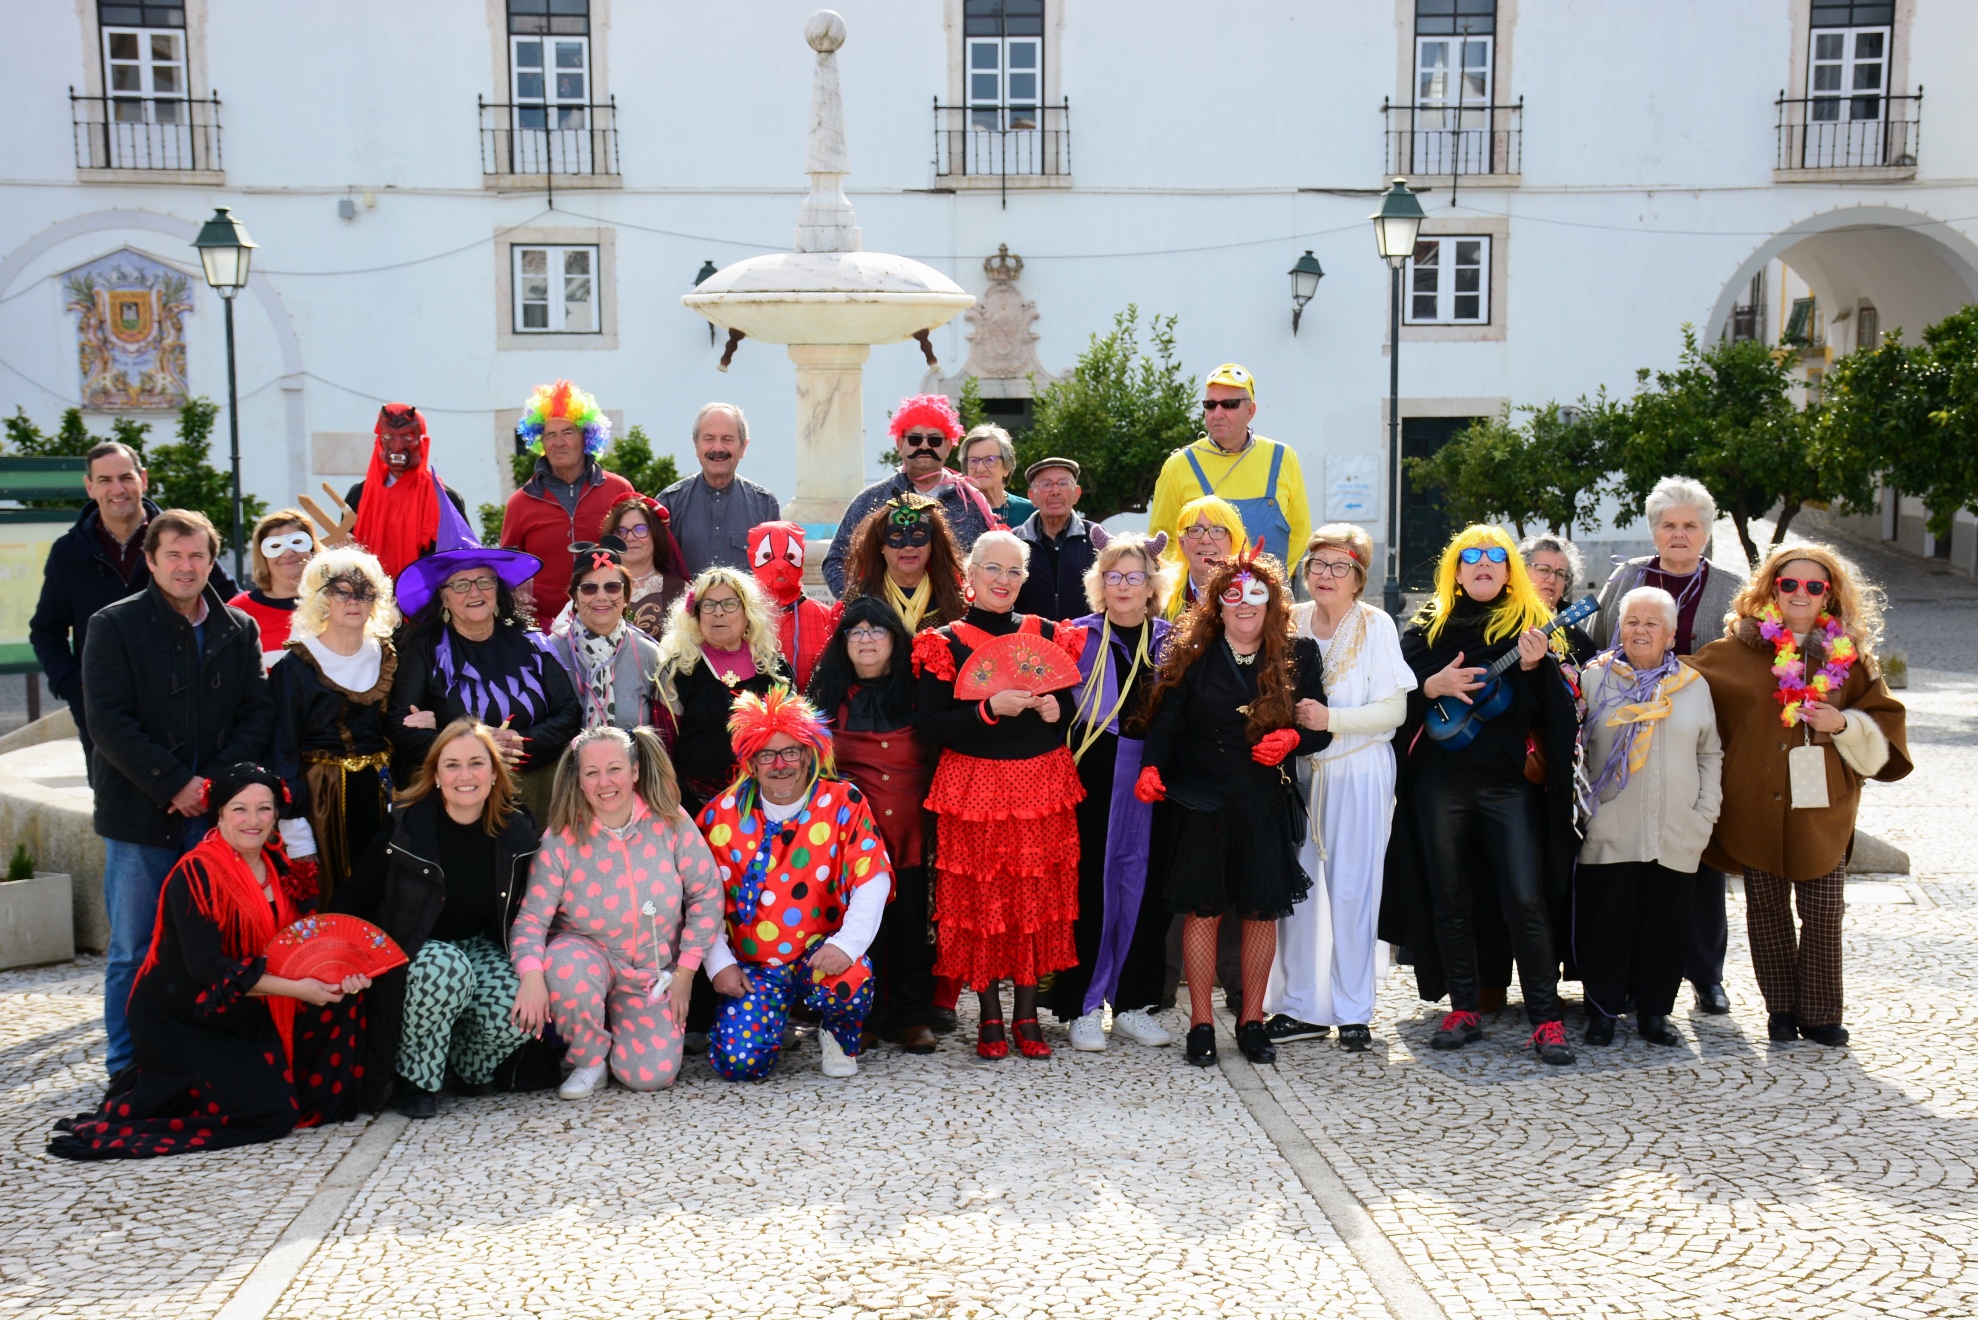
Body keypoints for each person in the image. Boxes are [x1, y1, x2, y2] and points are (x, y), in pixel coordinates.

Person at [48, 763, 368, 1160]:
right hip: (185, 1016)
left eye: (264, 809)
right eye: (239, 809)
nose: (253, 820)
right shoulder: (196, 873)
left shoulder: (280, 865)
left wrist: (336, 976)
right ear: (218, 813)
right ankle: (171, 1084)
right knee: (272, 1115)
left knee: (340, 1019)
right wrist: (298, 989)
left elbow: (295, 945)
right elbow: (208, 969)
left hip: (248, 1008)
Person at [1689, 543, 1910, 1048]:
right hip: (1754, 807)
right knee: (1766, 912)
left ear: (1829, 595)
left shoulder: (1850, 660)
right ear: (1772, 589)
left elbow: (1886, 727)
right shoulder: (1735, 652)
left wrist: (1844, 723)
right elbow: (1681, 682)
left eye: (1815, 586)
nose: (1801, 594)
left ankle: (1821, 1013)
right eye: (1790, 584)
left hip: (1823, 809)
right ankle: (1781, 1012)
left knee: (1825, 910)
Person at [81, 508, 273, 1080]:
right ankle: (127, 1066)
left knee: (212, 949)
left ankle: (193, 1061)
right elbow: (108, 721)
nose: (186, 567)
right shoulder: (112, 625)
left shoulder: (238, 629)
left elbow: (254, 712)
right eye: (174, 555)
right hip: (140, 817)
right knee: (133, 949)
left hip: (212, 819)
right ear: (150, 561)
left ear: (213, 562)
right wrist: (174, 783)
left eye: (197, 555)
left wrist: (209, 787)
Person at [1381, 526, 1580, 1066]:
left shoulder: (1533, 623)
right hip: (1439, 784)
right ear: (1457, 568)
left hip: (1508, 784)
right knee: (1450, 897)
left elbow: (1560, 708)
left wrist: (1537, 669)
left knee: (1525, 898)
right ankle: (1463, 1007)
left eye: (1497, 556)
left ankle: (1545, 1018)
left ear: (1510, 569)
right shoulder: (1427, 627)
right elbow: (1395, 693)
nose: (1484, 564)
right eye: (1473, 556)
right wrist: (1430, 688)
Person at [1136, 547, 1328, 1067]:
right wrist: (1150, 768)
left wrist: (1291, 737)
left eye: (1256, 596)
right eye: (1233, 596)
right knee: (1205, 910)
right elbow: (1166, 723)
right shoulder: (1189, 653)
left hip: (1263, 800)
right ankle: (1200, 1021)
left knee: (1261, 911)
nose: (1245, 605)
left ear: (1272, 604)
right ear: (1216, 605)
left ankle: (1252, 1021)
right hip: (1202, 800)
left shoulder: (1299, 654)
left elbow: (1319, 731)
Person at [912, 529, 1087, 1060]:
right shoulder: (943, 641)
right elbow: (928, 727)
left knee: (1035, 901)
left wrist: (1061, 712)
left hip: (1041, 782)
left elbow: (1065, 712)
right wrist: (988, 710)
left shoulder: (1048, 635)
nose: (1004, 580)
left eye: (1014, 571)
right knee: (981, 901)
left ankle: (1028, 1013)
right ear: (970, 576)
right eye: (993, 569)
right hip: (974, 785)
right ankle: (990, 1015)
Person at [1590, 476, 1747, 1017]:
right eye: (1668, 525)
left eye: (1690, 525)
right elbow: (1597, 642)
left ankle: (1706, 974)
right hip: (1628, 739)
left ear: (1705, 532)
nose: (1678, 534)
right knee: (1632, 867)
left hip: (1695, 732)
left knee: (1698, 860)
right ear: (1654, 530)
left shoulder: (1730, 588)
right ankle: (1634, 980)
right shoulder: (1626, 578)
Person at [332, 718, 540, 1117]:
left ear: (495, 773)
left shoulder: (516, 827)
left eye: (477, 763)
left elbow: (537, 906)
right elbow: (355, 894)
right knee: (446, 968)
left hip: (479, 945)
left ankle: (466, 1067)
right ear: (436, 775)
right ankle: (416, 1078)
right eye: (453, 765)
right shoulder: (406, 828)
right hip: (414, 949)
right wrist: (339, 956)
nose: (466, 775)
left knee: (519, 1000)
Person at [1262, 525, 1416, 1053]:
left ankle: (1354, 1009)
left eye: (1339, 566)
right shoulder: (1291, 621)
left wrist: (1333, 718)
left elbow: (1395, 710)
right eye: (1317, 565)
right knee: (1299, 893)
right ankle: (1301, 1006)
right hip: (1303, 775)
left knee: (1352, 888)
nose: (1325, 575)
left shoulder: (1375, 626)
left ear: (1358, 577)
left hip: (1357, 768)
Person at [509, 726, 723, 1097]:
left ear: (635, 771)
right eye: (591, 773)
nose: (604, 782)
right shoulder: (560, 839)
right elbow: (531, 920)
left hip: (651, 973)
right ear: (579, 778)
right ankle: (589, 1059)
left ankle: (622, 1045)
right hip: (588, 958)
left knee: (650, 1077)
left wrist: (686, 971)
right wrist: (530, 976)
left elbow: (706, 893)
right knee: (566, 965)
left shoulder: (670, 821)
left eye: (614, 769)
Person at [699, 688, 894, 1080]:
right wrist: (718, 964)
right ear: (749, 762)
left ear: (808, 755)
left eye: (790, 751)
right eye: (766, 754)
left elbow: (873, 878)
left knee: (851, 980)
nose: (780, 763)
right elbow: (698, 899)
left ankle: (836, 1032)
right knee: (739, 1066)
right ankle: (772, 1026)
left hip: (821, 955)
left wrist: (846, 944)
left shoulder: (843, 801)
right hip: (752, 965)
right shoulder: (719, 815)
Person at [1575, 587, 1723, 1048]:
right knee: (1607, 924)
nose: (1641, 630)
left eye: (1652, 623)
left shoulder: (1694, 686)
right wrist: (1583, 814)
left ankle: (1656, 1013)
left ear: (1672, 634)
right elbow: (1575, 750)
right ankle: (1601, 1012)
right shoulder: (1595, 679)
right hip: (1609, 826)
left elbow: (1710, 752)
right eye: (1632, 621)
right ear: (1619, 628)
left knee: (1667, 924)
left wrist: (1705, 815)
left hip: (1676, 827)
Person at [31, 440, 236, 771]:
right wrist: (75, 688)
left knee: (193, 807)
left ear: (143, 478)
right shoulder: (68, 553)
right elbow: (46, 630)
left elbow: (233, 609)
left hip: (185, 710)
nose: (118, 489)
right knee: (119, 814)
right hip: (106, 714)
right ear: (89, 487)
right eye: (105, 480)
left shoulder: (180, 540)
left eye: (126, 477)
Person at [1049, 532, 1177, 1052]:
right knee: (1091, 887)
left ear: (1152, 586)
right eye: (1113, 575)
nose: (1123, 585)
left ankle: (1132, 1004)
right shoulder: (1075, 636)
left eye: (1134, 576)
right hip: (1094, 770)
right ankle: (1081, 1005)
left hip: (1154, 774)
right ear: (1099, 584)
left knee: (1147, 886)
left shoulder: (1173, 640)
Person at [389, 495, 582, 821]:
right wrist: (474, 750)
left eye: (483, 581)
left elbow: (569, 712)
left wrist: (522, 742)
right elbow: (400, 727)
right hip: (457, 800)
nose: (474, 592)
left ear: (498, 590)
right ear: (444, 598)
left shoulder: (533, 642)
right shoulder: (425, 649)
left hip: (538, 794)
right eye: (461, 584)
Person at [808, 597, 938, 1053]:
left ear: (894, 640)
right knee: (861, 928)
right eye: (855, 632)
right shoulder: (824, 697)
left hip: (912, 829)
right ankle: (861, 1013)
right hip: (852, 841)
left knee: (911, 928)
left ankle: (912, 1017)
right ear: (842, 644)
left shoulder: (920, 691)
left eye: (876, 631)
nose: (865, 639)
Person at [268, 546, 400, 904]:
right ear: (322, 598)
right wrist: (295, 831)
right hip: (321, 799)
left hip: (381, 794)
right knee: (332, 897)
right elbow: (282, 750)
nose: (354, 600)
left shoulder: (389, 656)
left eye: (364, 591)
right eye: (342, 591)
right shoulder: (295, 667)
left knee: (382, 892)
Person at [653, 567, 793, 815]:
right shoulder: (677, 671)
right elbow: (662, 750)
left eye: (729, 604)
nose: (718, 612)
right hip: (695, 808)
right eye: (708, 605)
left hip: (768, 805)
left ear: (747, 612)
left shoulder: (773, 667)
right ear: (696, 615)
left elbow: (796, 738)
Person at [823, 394, 993, 597]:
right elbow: (835, 560)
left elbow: (989, 563)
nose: (924, 446)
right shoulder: (871, 499)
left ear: (948, 446)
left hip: (952, 622)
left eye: (934, 439)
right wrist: (861, 607)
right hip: (885, 622)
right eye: (915, 439)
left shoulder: (971, 503)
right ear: (900, 444)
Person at [1146, 364, 1310, 568]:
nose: (1218, 413)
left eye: (1230, 404)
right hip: (1198, 598)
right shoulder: (1178, 465)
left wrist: (1273, 584)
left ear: (1250, 410)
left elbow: (1300, 532)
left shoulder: (1283, 457)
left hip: (1269, 595)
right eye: (1210, 405)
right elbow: (1163, 542)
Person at [499, 380, 636, 623]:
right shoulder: (520, 502)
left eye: (568, 432)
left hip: (608, 624)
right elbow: (508, 566)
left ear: (587, 437)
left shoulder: (619, 490)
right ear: (540, 441)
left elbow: (637, 552)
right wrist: (513, 590)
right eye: (550, 434)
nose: (558, 442)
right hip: (544, 630)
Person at [327, 403, 469, 579]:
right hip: (370, 600)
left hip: (426, 601)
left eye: (407, 436)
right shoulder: (359, 495)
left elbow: (462, 560)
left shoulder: (444, 499)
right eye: (388, 436)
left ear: (422, 441)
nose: (397, 446)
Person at [546, 539, 664, 731]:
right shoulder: (552, 653)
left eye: (612, 587)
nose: (601, 597)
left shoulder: (649, 653)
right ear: (575, 598)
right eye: (589, 588)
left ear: (626, 597)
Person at [655, 402, 782, 575]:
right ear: (696, 445)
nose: (718, 448)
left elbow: (776, 573)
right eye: (709, 439)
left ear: (743, 447)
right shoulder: (669, 503)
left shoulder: (764, 505)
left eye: (727, 439)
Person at [840, 493, 969, 636]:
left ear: (932, 544)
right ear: (881, 546)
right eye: (897, 536)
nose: (908, 546)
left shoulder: (955, 596)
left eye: (918, 536)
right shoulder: (858, 597)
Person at [1013, 458, 1109, 622]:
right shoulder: (1014, 541)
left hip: (1087, 640)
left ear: (1076, 494)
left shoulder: (1097, 537)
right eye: (1046, 484)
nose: (1055, 491)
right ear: (1032, 497)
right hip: (1030, 643)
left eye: (1063, 483)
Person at [748, 521, 834, 692]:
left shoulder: (827, 617)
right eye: (767, 556)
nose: (780, 565)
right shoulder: (738, 616)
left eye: (789, 557)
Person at [229, 508, 317, 671]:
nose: (288, 553)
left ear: (311, 548)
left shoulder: (335, 603)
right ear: (263, 556)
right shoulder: (239, 612)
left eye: (297, 542)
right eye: (275, 546)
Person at [598, 494, 692, 637]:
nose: (629, 537)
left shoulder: (680, 591)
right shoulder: (592, 587)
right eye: (621, 531)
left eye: (640, 529)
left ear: (656, 534)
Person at [1159, 494, 1247, 622]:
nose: (1205, 540)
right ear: (1182, 543)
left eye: (1217, 530)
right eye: (1195, 530)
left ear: (1233, 540)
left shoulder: (1257, 594)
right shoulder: (1160, 599)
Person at [1519, 533, 1596, 664]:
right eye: (1543, 570)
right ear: (1521, 572)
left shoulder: (1578, 637)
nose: (1552, 580)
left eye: (1560, 574)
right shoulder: (1499, 620)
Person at [960, 423, 1033, 529]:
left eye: (990, 459)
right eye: (974, 461)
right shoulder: (955, 513)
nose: (980, 468)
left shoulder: (1030, 513)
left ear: (1007, 467)